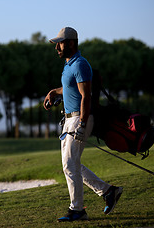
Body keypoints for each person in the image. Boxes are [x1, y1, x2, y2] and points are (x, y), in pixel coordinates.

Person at [43, 27, 123, 222]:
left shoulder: (80, 64)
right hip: (70, 119)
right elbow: (71, 88)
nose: (57, 48)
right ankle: (108, 191)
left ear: (71, 43)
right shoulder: (70, 64)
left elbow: (86, 96)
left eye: (60, 43)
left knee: (69, 165)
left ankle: (77, 209)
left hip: (79, 118)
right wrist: (55, 92)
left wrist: (82, 123)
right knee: (72, 164)